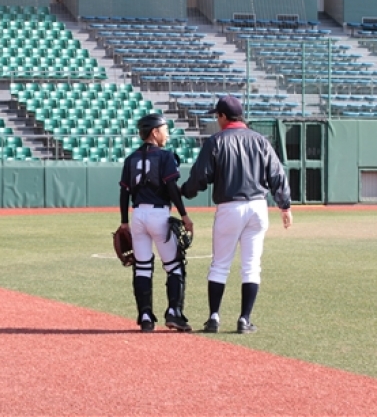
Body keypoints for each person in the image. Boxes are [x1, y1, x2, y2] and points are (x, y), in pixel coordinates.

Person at [180, 95, 292, 335]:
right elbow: (277, 174)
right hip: (257, 206)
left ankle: (213, 318)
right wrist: (285, 206)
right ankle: (244, 319)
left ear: (223, 116)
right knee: (251, 266)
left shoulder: (216, 141)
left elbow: (200, 176)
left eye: (217, 116)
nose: (216, 120)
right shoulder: (260, 140)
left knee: (220, 265)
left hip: (230, 207)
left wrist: (184, 192)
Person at [119, 113, 194, 333]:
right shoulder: (165, 156)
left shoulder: (131, 159)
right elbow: (171, 188)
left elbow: (124, 193)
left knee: (142, 267)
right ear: (154, 132)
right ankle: (174, 313)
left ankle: (145, 317)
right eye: (165, 129)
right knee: (174, 266)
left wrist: (124, 222)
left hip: (137, 215)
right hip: (159, 215)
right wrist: (184, 215)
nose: (167, 134)